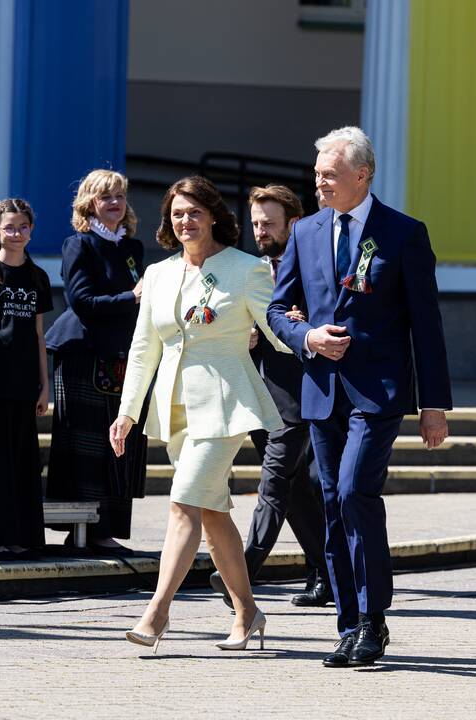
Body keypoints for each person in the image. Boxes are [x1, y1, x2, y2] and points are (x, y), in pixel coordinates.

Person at [267, 126, 452, 667]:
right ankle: (348, 626)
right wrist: (307, 338)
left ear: (361, 174)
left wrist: (433, 405)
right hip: (322, 391)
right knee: (330, 504)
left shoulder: (404, 233)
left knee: (353, 492)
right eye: (317, 173)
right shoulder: (304, 231)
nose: (318, 182)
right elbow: (279, 310)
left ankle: (374, 620)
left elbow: (427, 324)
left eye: (329, 174)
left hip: (379, 391)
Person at [112, 175, 283, 653]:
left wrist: (309, 340)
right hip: (174, 408)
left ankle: (157, 612)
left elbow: (274, 325)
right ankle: (248, 613)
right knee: (212, 512)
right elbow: (144, 348)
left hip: (225, 404)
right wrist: (128, 411)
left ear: (213, 216)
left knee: (183, 501)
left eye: (194, 212)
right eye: (177, 214)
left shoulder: (247, 269)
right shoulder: (160, 273)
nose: (185, 221)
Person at [209, 184, 332, 608]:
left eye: (269, 223)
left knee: (275, 482)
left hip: (301, 396)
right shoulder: (250, 270)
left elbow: (331, 316)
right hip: (259, 395)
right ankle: (326, 572)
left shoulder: (316, 268)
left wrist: (302, 322)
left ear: (293, 224)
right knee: (295, 489)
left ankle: (241, 572)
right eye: (256, 224)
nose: (260, 231)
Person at [44, 169, 146, 554]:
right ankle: (84, 529)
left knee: (121, 444)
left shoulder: (131, 249)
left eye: (120, 195)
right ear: (89, 203)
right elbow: (81, 302)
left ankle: (108, 530)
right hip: (84, 356)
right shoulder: (79, 244)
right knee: (86, 447)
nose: (115, 203)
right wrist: (131, 299)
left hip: (123, 355)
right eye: (106, 197)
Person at [0, 198, 51, 559]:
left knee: (22, 463)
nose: (16, 234)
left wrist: (44, 385)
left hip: (24, 382)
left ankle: (23, 537)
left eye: (23, 227)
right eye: (9, 227)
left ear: (31, 231)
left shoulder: (38, 276)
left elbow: (38, 334)